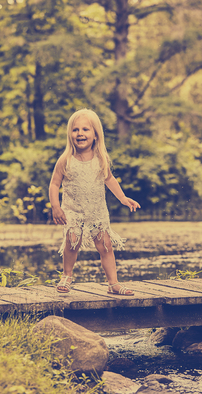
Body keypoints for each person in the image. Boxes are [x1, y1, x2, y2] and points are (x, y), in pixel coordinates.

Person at [49, 108, 140, 295]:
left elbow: (109, 180)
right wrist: (56, 207)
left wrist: (122, 198)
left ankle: (113, 283)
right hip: (73, 210)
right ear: (70, 134)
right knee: (72, 240)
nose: (80, 133)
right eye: (75, 130)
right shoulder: (65, 159)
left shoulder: (101, 159)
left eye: (85, 129)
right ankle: (67, 276)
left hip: (96, 210)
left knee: (105, 246)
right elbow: (54, 184)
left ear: (96, 135)